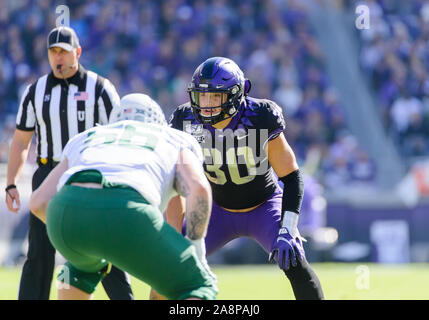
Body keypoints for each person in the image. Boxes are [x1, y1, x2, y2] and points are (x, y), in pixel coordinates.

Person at [28, 93, 217, 300]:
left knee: (81, 269)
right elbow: (198, 188)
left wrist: (84, 228)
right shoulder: (173, 138)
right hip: (126, 210)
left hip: (64, 213)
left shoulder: (87, 136)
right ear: (159, 122)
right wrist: (194, 247)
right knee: (197, 286)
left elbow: (38, 203)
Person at [166, 57, 324, 300]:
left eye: (215, 97)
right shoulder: (185, 121)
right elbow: (176, 184)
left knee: (293, 261)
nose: (206, 105)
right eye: (202, 96)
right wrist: (173, 235)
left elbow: (291, 176)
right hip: (214, 210)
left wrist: (289, 227)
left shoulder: (260, 116)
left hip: (264, 207)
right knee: (170, 266)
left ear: (236, 95)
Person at [5, 26, 133, 300]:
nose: (58, 57)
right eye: (53, 52)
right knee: (39, 251)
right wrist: (11, 182)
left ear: (78, 52)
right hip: (48, 173)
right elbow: (20, 141)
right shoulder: (35, 91)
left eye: (63, 51)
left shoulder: (100, 88)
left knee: (105, 245)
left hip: (89, 175)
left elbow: (121, 136)